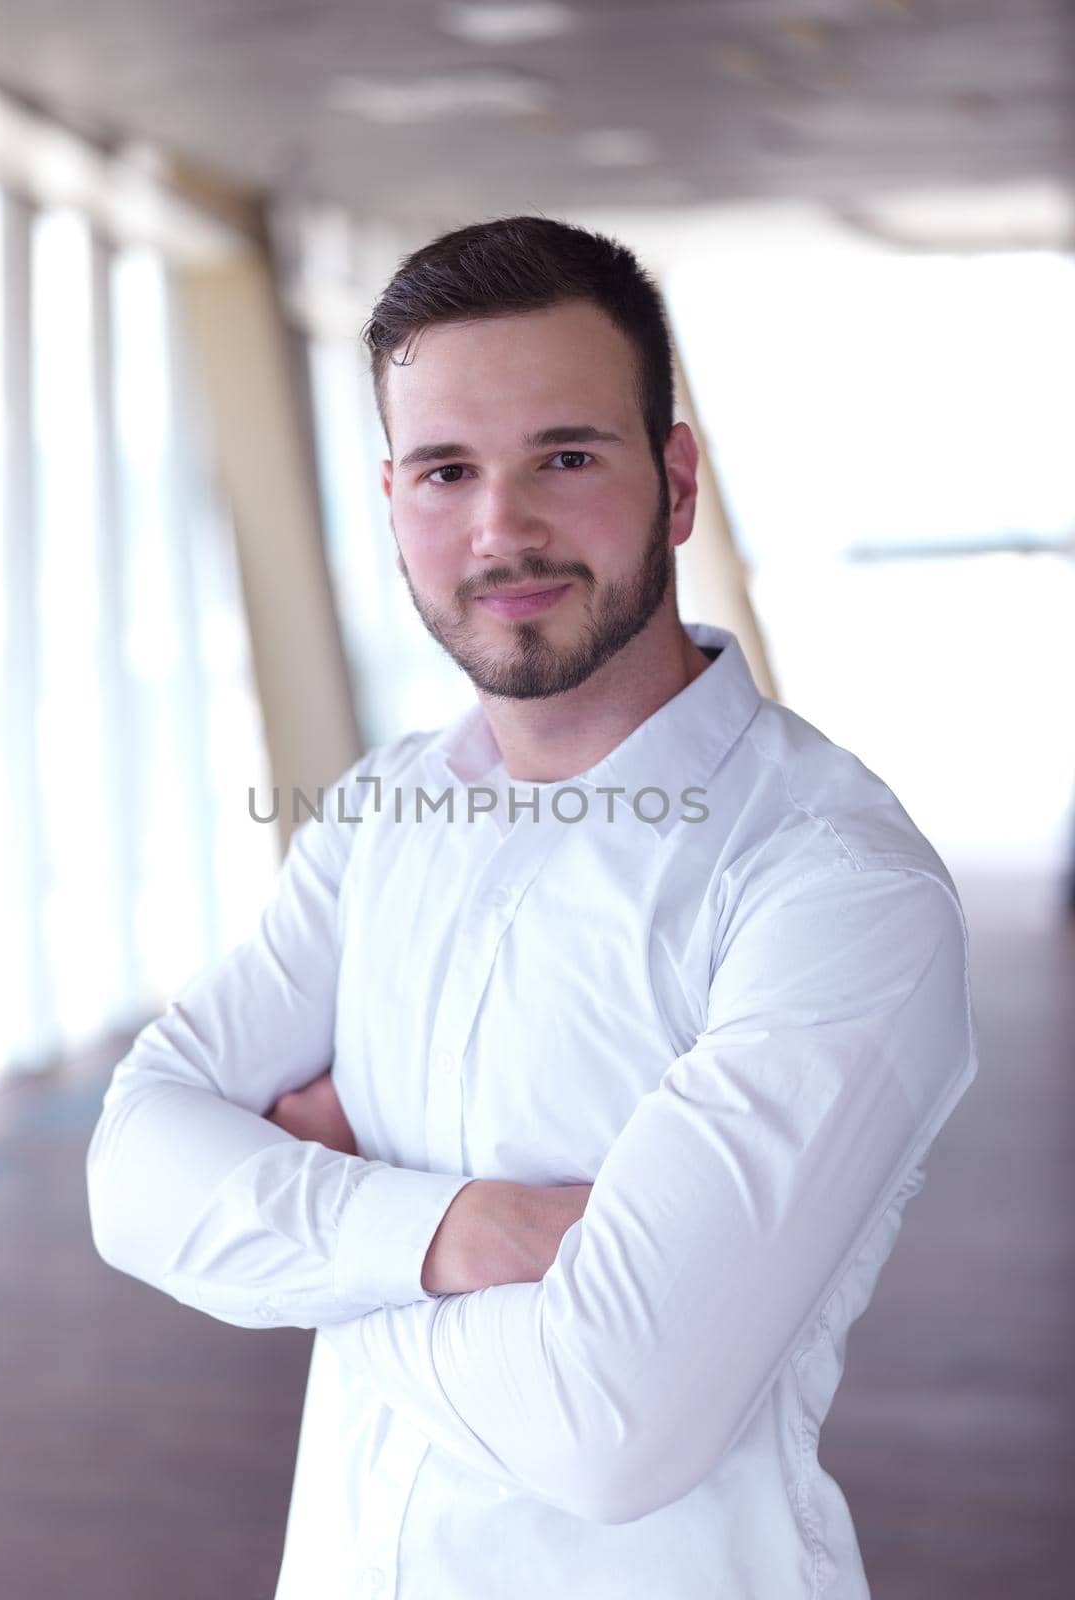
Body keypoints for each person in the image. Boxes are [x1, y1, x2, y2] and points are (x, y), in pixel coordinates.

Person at [86, 215, 978, 1599]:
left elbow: (607, 1422)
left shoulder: (833, 887)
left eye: (566, 456)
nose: (502, 528)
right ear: (392, 505)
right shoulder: (384, 814)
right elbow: (130, 1171)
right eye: (447, 471)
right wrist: (454, 1236)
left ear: (676, 481)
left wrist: (290, 1236)